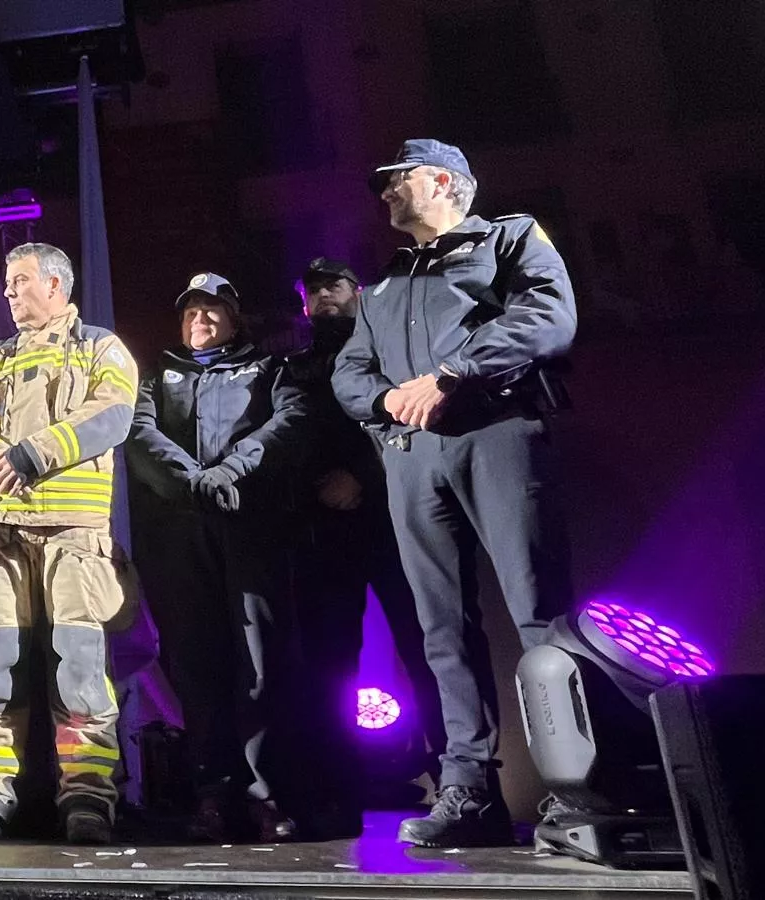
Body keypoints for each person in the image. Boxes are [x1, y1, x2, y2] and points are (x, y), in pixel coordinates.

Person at [333, 139, 577, 847]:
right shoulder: (380, 290)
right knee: (441, 630)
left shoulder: (508, 238)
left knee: (540, 614)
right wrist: (389, 405)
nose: (383, 196)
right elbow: (350, 374)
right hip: (412, 459)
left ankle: (574, 787)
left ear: (441, 180)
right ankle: (469, 791)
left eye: (395, 181)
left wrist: (450, 375)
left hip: (497, 432)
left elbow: (548, 318)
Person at [0, 243, 137, 845]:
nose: (9, 291)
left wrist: (34, 453)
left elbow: (114, 413)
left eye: (21, 280)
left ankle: (87, 795)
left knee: (80, 670)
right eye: (7, 280)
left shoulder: (100, 347)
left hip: (76, 535)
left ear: (56, 286)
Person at [126, 273, 312, 842]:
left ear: (234, 318)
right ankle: (212, 795)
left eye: (211, 312)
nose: (199, 321)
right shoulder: (158, 375)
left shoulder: (269, 368)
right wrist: (193, 482)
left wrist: (234, 468)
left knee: (259, 664)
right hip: (181, 538)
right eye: (190, 313)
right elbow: (138, 432)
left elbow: (293, 420)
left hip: (251, 530)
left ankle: (264, 793)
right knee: (195, 666)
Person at [288, 258, 445, 835]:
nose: (323, 298)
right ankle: (338, 793)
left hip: (396, 518)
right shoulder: (297, 366)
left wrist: (359, 475)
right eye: (312, 292)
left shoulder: (392, 348)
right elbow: (290, 434)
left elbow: (409, 418)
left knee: (429, 646)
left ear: (358, 292)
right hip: (322, 532)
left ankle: (458, 780)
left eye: (334, 286)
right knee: (329, 663)